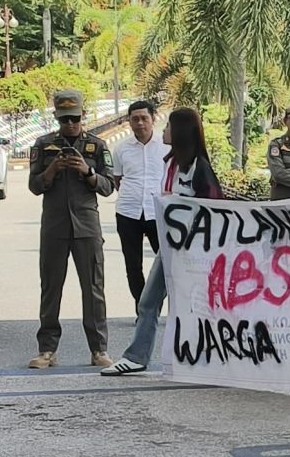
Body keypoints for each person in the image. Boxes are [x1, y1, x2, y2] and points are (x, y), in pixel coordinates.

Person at [109, 106, 225, 375]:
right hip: (171, 249)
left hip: (193, 253)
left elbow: (214, 212)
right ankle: (137, 356)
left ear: (181, 131)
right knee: (148, 301)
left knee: (194, 305)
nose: (164, 130)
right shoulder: (171, 163)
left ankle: (205, 358)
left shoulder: (200, 169)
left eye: (169, 126)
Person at [29, 88, 117, 370]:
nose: (70, 125)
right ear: (56, 117)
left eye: (74, 119)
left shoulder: (97, 146)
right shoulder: (43, 146)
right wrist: (53, 169)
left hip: (86, 227)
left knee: (93, 289)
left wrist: (86, 171)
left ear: (83, 116)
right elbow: (34, 186)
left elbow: (108, 186)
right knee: (51, 288)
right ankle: (47, 350)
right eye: (64, 119)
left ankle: (98, 349)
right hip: (55, 227)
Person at [111, 98, 168, 303]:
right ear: (129, 121)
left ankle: (164, 304)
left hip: (157, 212)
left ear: (153, 119)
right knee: (133, 264)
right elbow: (118, 180)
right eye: (135, 119)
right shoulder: (121, 149)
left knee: (166, 262)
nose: (140, 123)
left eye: (144, 118)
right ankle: (141, 306)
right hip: (128, 212)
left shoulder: (166, 147)